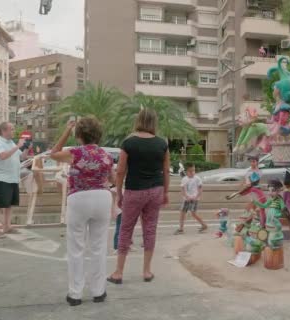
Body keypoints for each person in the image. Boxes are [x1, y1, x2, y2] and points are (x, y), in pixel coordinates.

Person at [50, 118, 114, 306]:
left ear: (79, 136)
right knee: (99, 246)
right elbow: (111, 178)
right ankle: (99, 291)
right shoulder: (106, 155)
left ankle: (75, 294)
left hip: (79, 198)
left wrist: (66, 130)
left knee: (76, 247)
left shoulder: (75, 153)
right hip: (102, 197)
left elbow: (53, 154)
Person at [108, 108, 170, 284]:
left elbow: (120, 171)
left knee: (126, 229)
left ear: (139, 121)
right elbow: (166, 170)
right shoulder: (162, 143)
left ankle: (119, 272)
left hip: (134, 191)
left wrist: (119, 192)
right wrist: (165, 192)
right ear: (154, 123)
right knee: (150, 229)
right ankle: (147, 271)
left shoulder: (128, 142)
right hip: (156, 190)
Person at [0, 122, 30, 239]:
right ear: (4, 131)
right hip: (1, 178)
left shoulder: (11, 143)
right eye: (11, 129)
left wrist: (26, 148)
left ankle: (7, 226)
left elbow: (21, 157)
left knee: (9, 205)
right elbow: (3, 156)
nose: (13, 131)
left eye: (13, 129)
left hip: (13, 178)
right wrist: (17, 146)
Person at [174, 163, 208, 235]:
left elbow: (200, 188)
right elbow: (182, 190)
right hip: (186, 199)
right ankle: (181, 229)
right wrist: (186, 197)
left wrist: (196, 197)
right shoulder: (184, 179)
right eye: (190, 171)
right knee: (182, 213)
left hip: (194, 199)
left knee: (193, 214)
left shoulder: (197, 178)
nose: (192, 172)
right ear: (186, 171)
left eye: (193, 170)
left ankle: (204, 225)